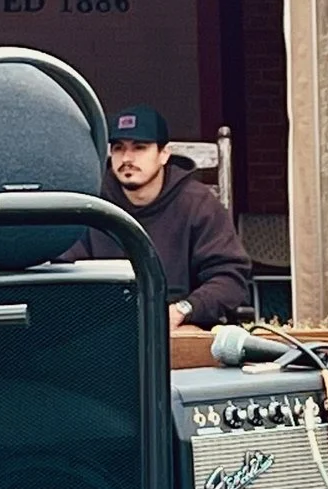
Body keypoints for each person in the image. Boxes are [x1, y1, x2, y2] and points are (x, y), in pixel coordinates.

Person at [64, 106, 252, 330]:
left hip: (180, 329)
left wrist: (184, 309)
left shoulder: (198, 204)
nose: (127, 158)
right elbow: (64, 274)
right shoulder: (91, 206)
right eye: (118, 148)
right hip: (102, 330)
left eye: (140, 148)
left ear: (164, 154)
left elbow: (230, 277)